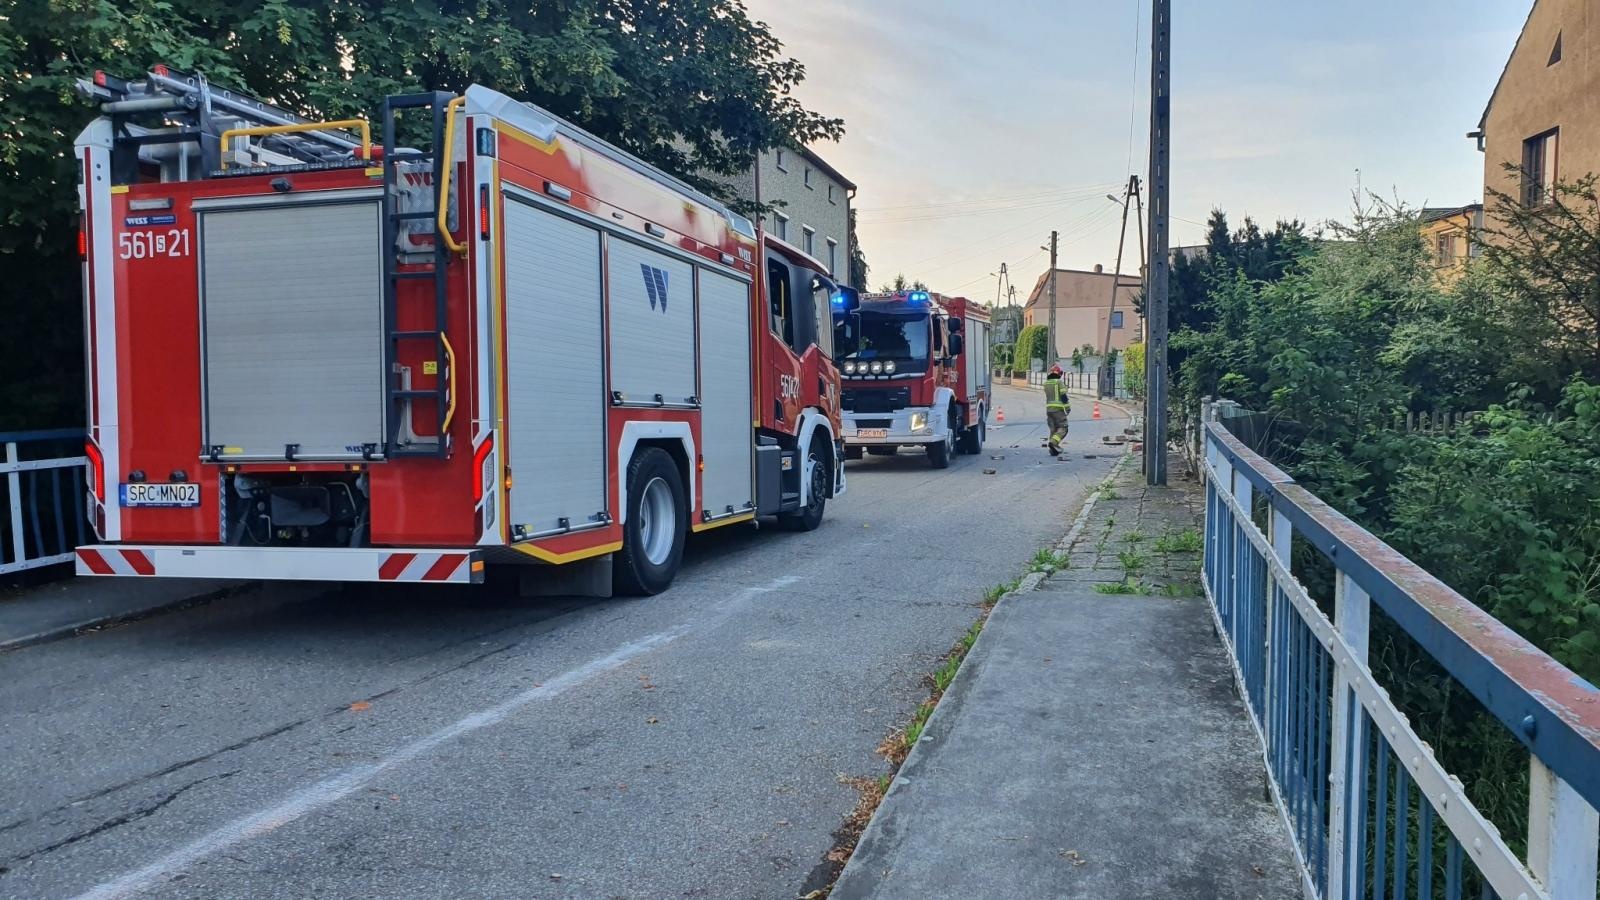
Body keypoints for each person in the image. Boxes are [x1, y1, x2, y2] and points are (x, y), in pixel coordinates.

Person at [1043, 364, 1070, 456]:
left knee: (1053, 430)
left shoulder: (1046, 383)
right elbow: (1063, 396)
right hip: (1058, 410)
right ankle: (1053, 443)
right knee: (1063, 428)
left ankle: (1053, 450)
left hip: (1049, 410)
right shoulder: (1058, 382)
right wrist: (1067, 407)